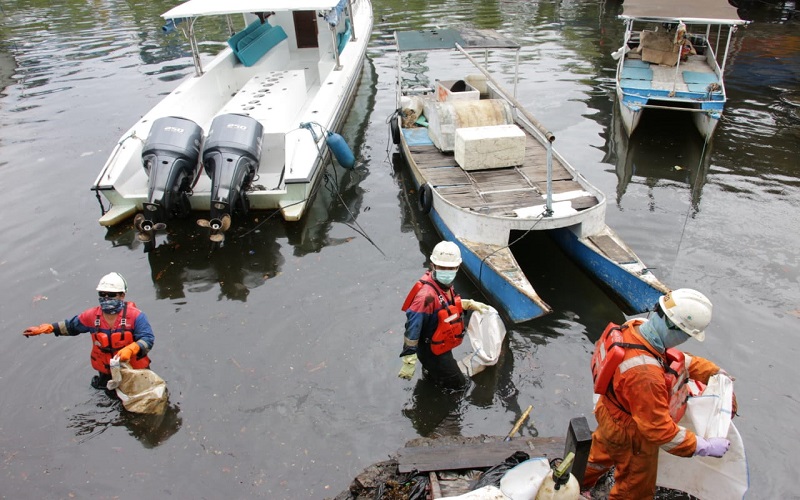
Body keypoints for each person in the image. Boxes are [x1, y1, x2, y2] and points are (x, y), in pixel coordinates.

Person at [582, 288, 737, 498]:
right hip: (632, 433)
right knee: (635, 487)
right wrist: (703, 446)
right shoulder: (645, 374)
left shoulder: (635, 328)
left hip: (610, 411)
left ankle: (578, 483)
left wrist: (712, 372)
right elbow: (659, 431)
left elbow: (676, 359)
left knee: (599, 456)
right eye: (687, 335)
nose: (685, 340)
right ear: (675, 328)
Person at [23, 272, 155, 390]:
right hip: (107, 370)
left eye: (111, 295)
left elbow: (147, 339)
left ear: (122, 295)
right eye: (102, 294)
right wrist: (49, 328)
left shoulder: (136, 316)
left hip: (135, 370)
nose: (106, 298)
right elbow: (71, 326)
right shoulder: (91, 316)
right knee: (108, 393)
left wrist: (131, 349)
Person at [398, 241, 488, 389]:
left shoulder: (443, 285)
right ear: (433, 265)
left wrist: (468, 304)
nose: (447, 271)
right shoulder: (425, 297)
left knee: (433, 378)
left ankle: (428, 384)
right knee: (460, 386)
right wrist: (409, 358)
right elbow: (412, 327)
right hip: (433, 351)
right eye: (442, 268)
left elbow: (445, 306)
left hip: (440, 343)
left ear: (457, 267)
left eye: (451, 268)